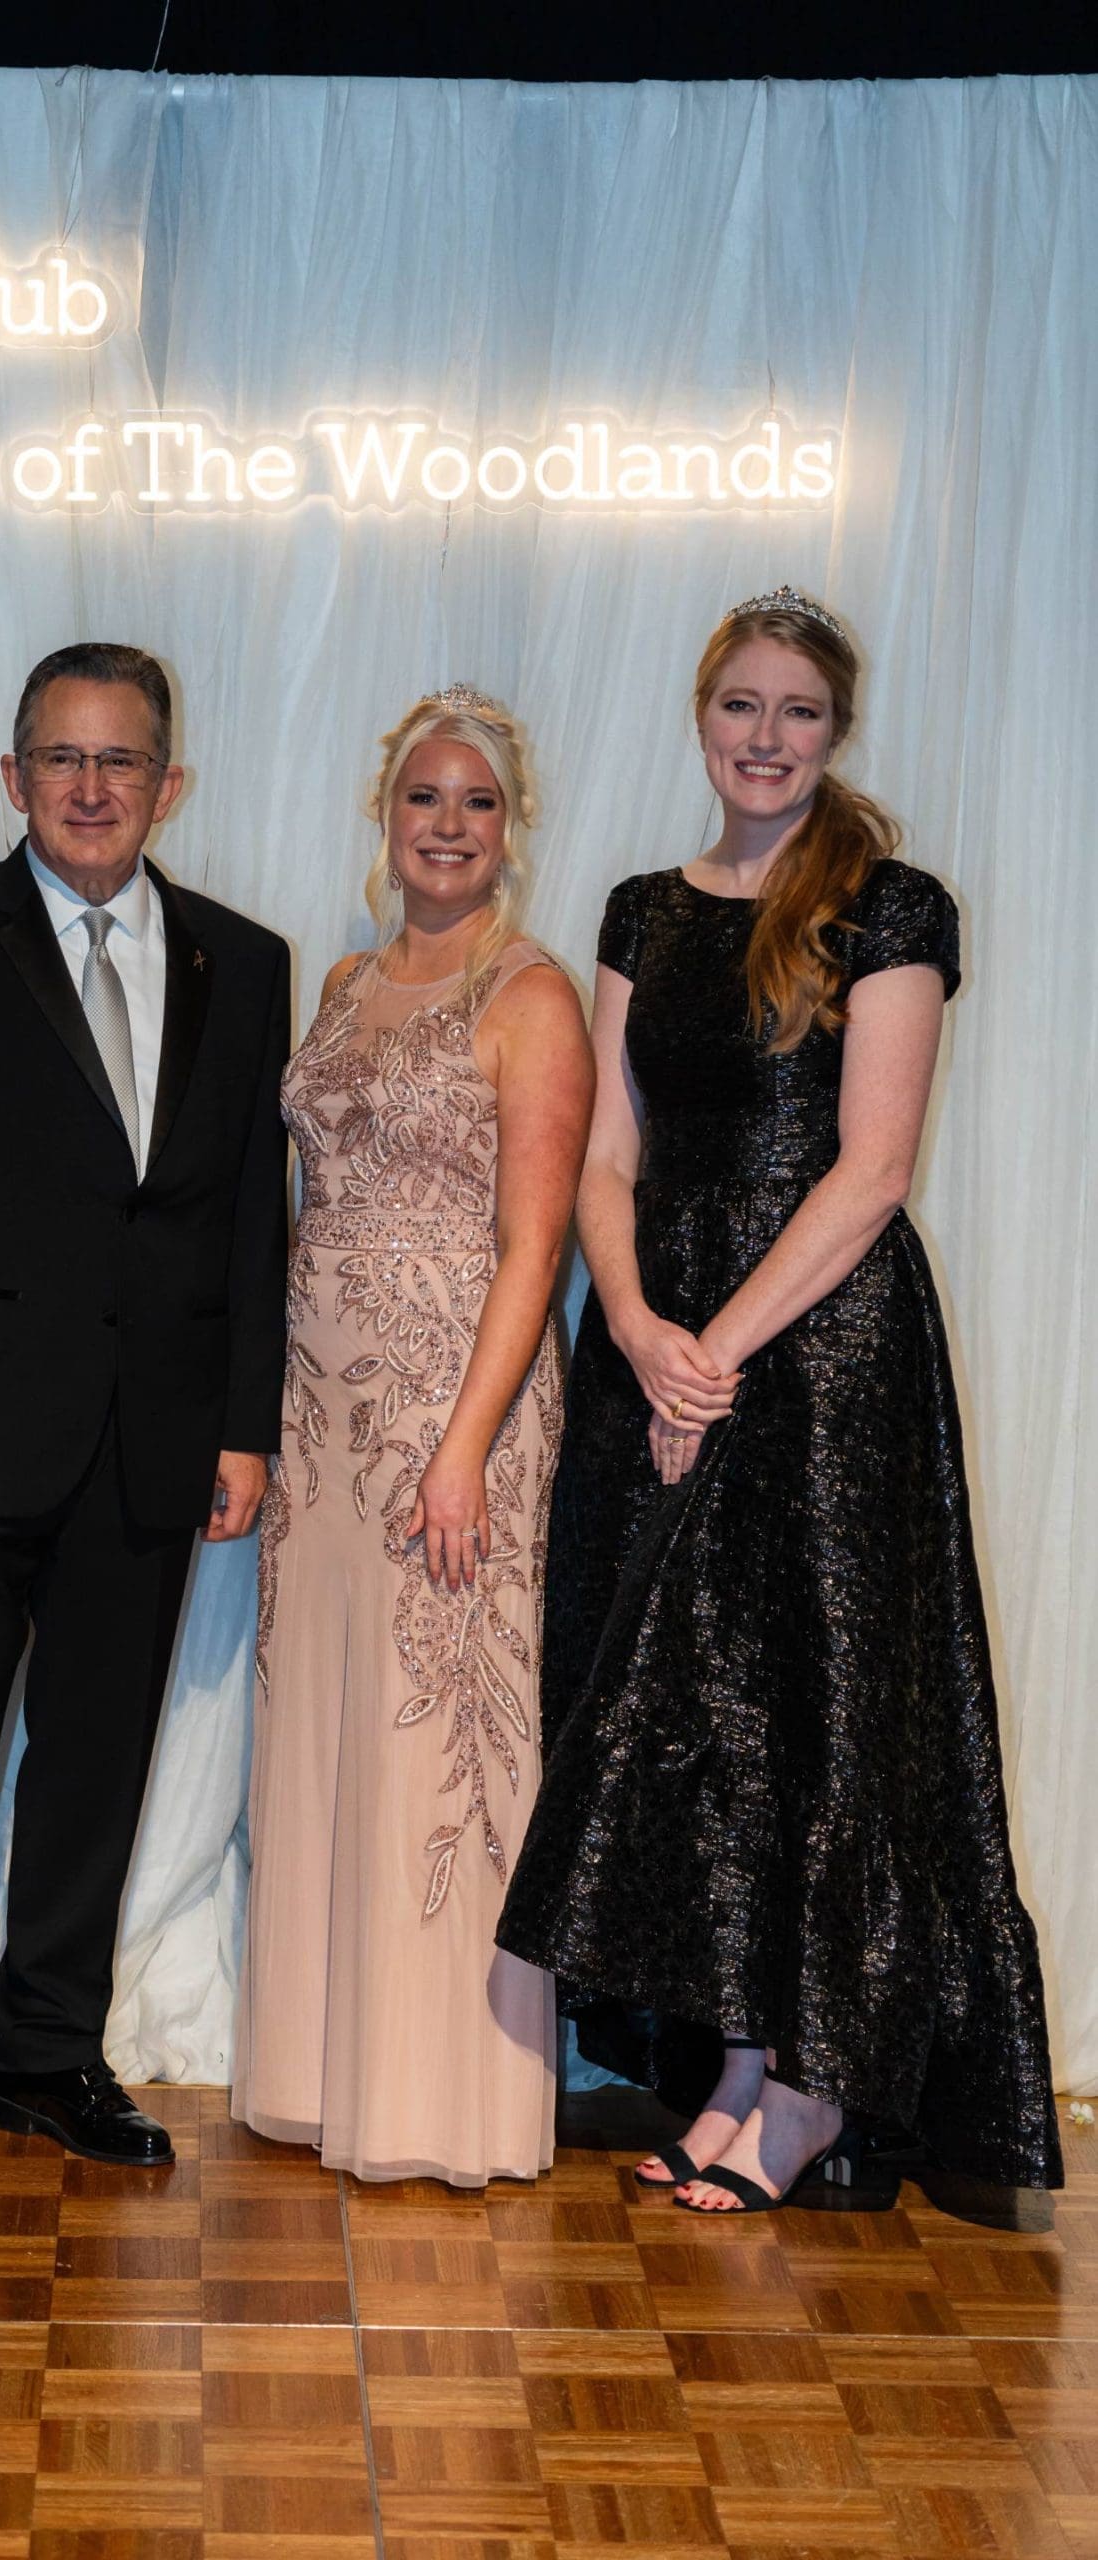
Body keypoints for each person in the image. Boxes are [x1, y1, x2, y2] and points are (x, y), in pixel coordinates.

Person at [497, 588, 1061, 2216]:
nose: (766, 736)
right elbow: (609, 1152)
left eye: (798, 710)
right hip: (658, 1335)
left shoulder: (891, 907)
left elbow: (873, 1171)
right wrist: (639, 1327)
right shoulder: (642, 910)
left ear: (836, 729)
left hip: (821, 1356)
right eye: (741, 705)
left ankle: (816, 2090)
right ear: (702, 717)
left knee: (821, 1707)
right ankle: (739, 2069)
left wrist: (716, 1353)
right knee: (699, 1713)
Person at [0, 641, 290, 2218]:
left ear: (171, 782)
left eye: (122, 760)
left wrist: (243, 1426)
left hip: (154, 1436)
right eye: (64, 760)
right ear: (13, 777)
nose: (93, 788)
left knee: (96, 1766)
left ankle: (50, 2057)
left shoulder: (246, 962)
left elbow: (250, 1218)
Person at [231, 686, 593, 2185]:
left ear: (512, 828)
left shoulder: (532, 996)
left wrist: (462, 1451)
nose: (448, 825)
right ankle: (323, 2069)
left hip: (456, 1412)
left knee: (437, 1736)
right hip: (322, 1422)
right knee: (332, 1720)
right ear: (385, 817)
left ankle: (447, 2100)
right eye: (423, 798)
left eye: (478, 802)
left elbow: (535, 1247)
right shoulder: (340, 983)